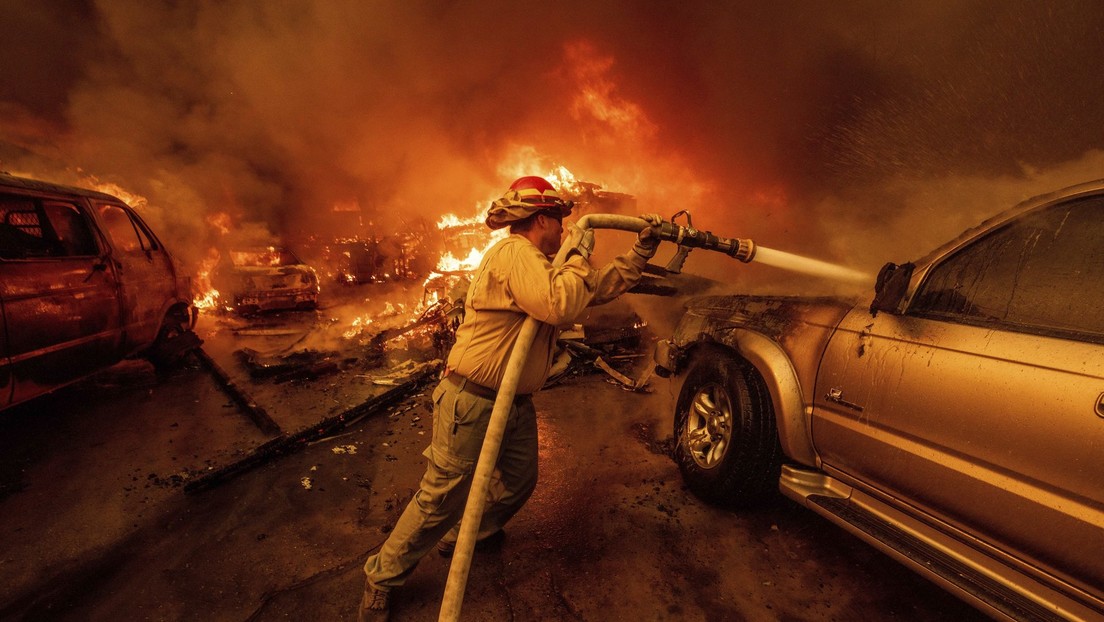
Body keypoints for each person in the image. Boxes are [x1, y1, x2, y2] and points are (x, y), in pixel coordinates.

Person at [357, 176, 662, 621]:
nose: (564, 230)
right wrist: (578, 248)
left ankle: (470, 532)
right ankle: (381, 578)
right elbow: (562, 305)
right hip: (473, 402)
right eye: (561, 223)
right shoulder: (515, 252)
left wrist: (639, 254)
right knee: (440, 498)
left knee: (519, 480)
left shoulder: (540, 264)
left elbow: (590, 288)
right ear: (542, 219)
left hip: (512, 403)